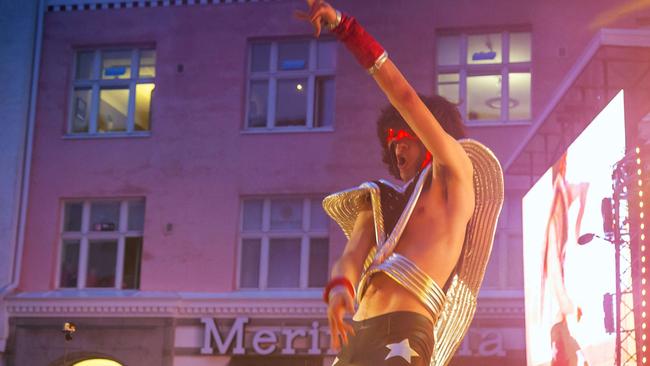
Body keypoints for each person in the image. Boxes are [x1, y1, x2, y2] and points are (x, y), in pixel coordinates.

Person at [296, 1, 476, 364]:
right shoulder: (378, 202)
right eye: (389, 142)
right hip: (359, 331)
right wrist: (339, 290)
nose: (395, 149)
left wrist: (345, 28)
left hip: (405, 331)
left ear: (427, 133)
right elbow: (350, 256)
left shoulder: (453, 177)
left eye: (402, 137)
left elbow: (402, 94)